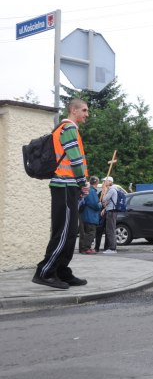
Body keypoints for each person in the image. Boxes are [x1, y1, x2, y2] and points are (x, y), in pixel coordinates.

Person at [33, 98, 90, 289]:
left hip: (67, 186)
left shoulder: (67, 129)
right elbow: (75, 161)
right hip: (64, 186)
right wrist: (83, 183)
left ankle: (62, 271)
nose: (86, 114)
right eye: (84, 110)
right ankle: (45, 272)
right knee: (63, 233)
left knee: (69, 232)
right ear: (73, 110)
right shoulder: (68, 129)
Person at [78, 176, 102, 254]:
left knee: (85, 232)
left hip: (86, 214)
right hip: (90, 215)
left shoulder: (87, 190)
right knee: (91, 232)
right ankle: (86, 248)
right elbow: (94, 204)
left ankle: (83, 248)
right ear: (97, 183)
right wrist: (100, 205)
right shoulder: (91, 191)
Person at [101, 177, 119, 254]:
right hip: (111, 211)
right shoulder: (112, 189)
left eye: (105, 181)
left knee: (110, 230)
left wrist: (104, 191)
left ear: (110, 182)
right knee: (111, 230)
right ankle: (112, 247)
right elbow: (106, 202)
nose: (104, 182)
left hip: (111, 212)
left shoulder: (111, 190)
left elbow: (104, 199)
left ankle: (112, 248)